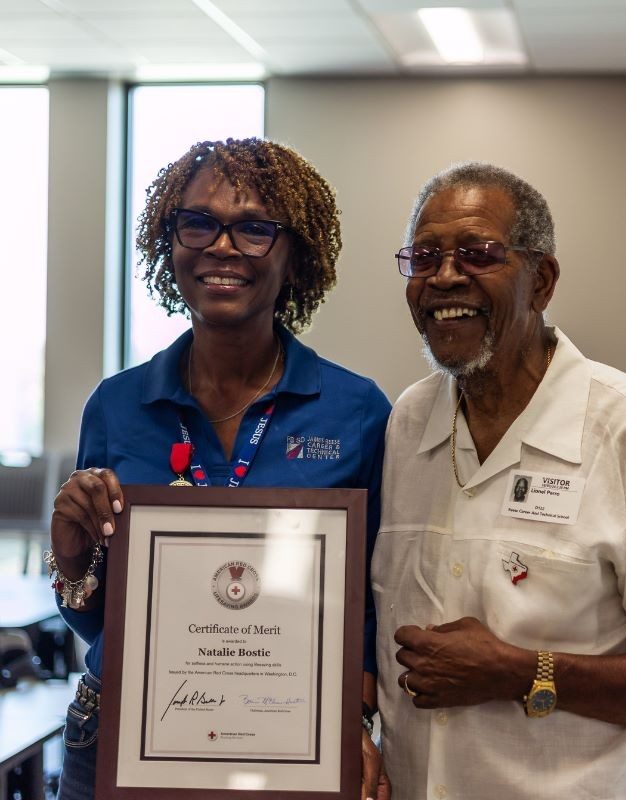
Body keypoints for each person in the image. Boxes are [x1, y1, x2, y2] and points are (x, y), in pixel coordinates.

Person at [372, 162, 626, 799]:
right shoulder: (407, 424)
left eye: (477, 253)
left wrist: (521, 672)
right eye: (425, 256)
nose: (443, 277)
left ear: (541, 280)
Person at [47, 138, 391, 800]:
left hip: (296, 738)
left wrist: (353, 717)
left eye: (255, 228)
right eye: (198, 223)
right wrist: (71, 560)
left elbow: (374, 605)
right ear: (169, 244)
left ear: (296, 258)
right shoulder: (118, 406)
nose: (222, 247)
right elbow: (102, 622)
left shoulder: (356, 412)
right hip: (127, 730)